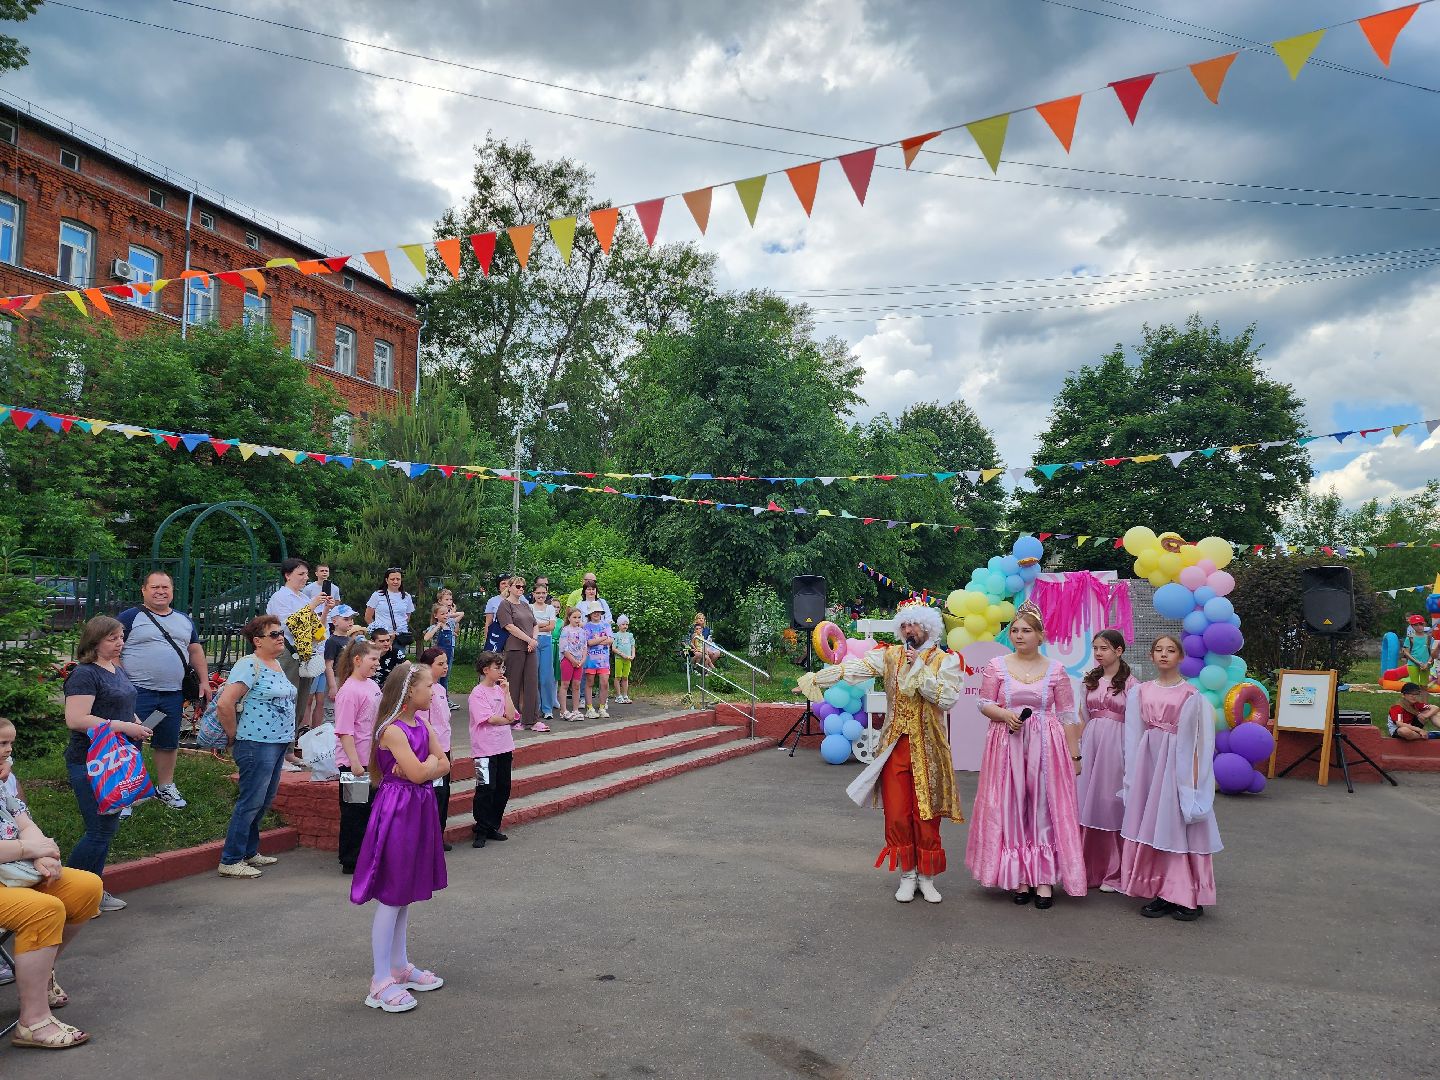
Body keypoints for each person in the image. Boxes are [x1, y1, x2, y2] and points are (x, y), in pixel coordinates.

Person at [797, 599, 962, 904]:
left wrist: (919, 668)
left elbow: (947, 699)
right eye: (904, 625)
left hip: (930, 749)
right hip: (894, 747)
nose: (909, 630)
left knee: (927, 814)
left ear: (928, 628)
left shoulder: (945, 661)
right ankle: (907, 874)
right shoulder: (889, 656)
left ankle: (927, 877)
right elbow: (854, 669)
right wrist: (817, 678)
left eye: (915, 625)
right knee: (898, 813)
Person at [967, 600, 1086, 909]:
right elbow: (983, 702)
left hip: (1047, 745)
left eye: (1027, 631)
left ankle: (1044, 879)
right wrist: (1004, 715)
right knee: (1013, 805)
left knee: (1044, 807)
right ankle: (1020, 877)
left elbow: (1068, 714)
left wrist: (1075, 755)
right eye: (1015, 631)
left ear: (1040, 636)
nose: (1019, 636)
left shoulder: (1056, 669)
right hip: (1007, 743)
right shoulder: (997, 665)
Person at [351, 661, 448, 1013]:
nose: (433, 691)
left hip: (417, 807)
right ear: (409, 692)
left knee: (404, 893)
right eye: (428, 687)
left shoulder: (420, 723)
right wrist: (425, 769)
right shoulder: (392, 730)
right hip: (397, 812)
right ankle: (379, 981)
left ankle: (399, 965)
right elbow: (423, 771)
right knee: (392, 894)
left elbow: (442, 764)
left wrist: (424, 768)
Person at [1118, 635, 1222, 922]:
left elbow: (1202, 741)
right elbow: (1133, 733)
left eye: (1171, 650)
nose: (1164, 654)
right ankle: (1161, 890)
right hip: (1149, 763)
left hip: (1178, 764)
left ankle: (1187, 894)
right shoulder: (1140, 692)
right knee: (1154, 825)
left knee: (1177, 824)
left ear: (1180, 657)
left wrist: (1196, 780)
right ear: (1151, 656)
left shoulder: (1192, 695)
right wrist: (1132, 775)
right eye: (1159, 650)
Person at [0, 764, 103, 1049]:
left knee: (86, 888)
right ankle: (32, 1022)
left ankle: (41, 975)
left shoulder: (2, 786)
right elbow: (26, 843)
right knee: (43, 910)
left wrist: (43, 856)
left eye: (8, 744)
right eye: (0, 744)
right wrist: (30, 850)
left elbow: (26, 826)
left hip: (11, 872)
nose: (7, 752)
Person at [63, 615, 149, 914]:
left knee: (105, 828)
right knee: (100, 829)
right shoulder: (84, 674)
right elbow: (76, 719)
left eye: (121, 637)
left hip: (117, 759)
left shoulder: (115, 668)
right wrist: (124, 727)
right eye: (113, 638)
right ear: (94, 641)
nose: (120, 643)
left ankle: (90, 891)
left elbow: (123, 705)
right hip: (91, 761)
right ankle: (69, 893)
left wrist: (137, 723)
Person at [117, 569, 210, 811]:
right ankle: (126, 791)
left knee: (167, 742)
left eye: (165, 587)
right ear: (144, 591)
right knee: (129, 741)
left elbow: (195, 650)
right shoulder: (129, 618)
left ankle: (165, 787)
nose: (160, 591)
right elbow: (112, 649)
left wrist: (204, 680)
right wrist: (120, 683)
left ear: (172, 591)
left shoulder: (183, 620)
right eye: (155, 587)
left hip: (171, 694)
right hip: (138, 693)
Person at [215, 614, 298, 879]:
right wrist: (233, 737)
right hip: (255, 743)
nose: (280, 637)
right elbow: (225, 703)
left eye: (280, 632)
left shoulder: (275, 664)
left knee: (263, 801)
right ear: (257, 641)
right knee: (250, 801)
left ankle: (249, 851)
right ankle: (230, 859)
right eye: (274, 634)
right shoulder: (248, 665)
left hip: (275, 743)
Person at [1076, 629, 1137, 893]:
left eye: (1104, 648)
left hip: (1118, 745)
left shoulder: (1133, 685)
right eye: (1096, 648)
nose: (1099, 653)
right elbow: (1083, 716)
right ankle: (1087, 867)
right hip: (1091, 742)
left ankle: (1115, 870)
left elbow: (1137, 724)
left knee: (1112, 802)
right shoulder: (1089, 681)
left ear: (1119, 650)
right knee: (1087, 800)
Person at [265, 558, 334, 751]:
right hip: (287, 653)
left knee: (300, 703)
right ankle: (278, 750)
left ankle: (289, 749)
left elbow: (315, 628)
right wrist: (312, 605)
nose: (305, 578)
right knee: (283, 701)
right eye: (300, 574)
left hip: (306, 655)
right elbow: (288, 625)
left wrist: (325, 610)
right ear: (287, 575)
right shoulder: (281, 597)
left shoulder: (303, 598)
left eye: (306, 574)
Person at [333, 639, 381, 875]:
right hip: (355, 763)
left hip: (370, 760)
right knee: (354, 810)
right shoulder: (349, 691)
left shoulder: (371, 686)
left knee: (369, 809)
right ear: (357, 660)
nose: (377, 664)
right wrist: (353, 763)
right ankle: (351, 859)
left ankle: (367, 854)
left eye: (378, 659)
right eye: (373, 659)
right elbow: (344, 730)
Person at [468, 651, 517, 848]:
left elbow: (512, 715)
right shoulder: (477, 693)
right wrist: (506, 720)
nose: (501, 671)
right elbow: (490, 718)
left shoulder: (500, 690)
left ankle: (492, 825)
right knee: (485, 788)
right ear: (486, 670)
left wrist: (507, 693)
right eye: (497, 668)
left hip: (504, 746)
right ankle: (480, 828)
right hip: (484, 749)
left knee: (503, 787)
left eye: (502, 667)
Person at [497, 574, 546, 732]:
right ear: (510, 587)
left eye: (523, 587)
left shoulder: (525, 605)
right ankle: (512, 718)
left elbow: (535, 624)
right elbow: (509, 626)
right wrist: (529, 640)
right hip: (515, 647)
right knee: (513, 684)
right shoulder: (504, 605)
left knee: (532, 682)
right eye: (517, 586)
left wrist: (534, 639)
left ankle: (531, 719)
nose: (520, 589)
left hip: (530, 648)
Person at [416, 647, 454, 847]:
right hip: (432, 750)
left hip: (445, 747)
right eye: (440, 664)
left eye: (445, 663)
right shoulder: (424, 692)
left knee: (444, 792)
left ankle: (439, 833)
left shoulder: (440, 689)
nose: (445, 667)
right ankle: (430, 837)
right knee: (435, 793)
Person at [364, 568, 416, 655]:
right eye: (392, 579)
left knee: (399, 663)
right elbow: (368, 617)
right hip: (383, 637)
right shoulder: (377, 595)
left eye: (398, 579)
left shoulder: (406, 596)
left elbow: (407, 617)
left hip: (400, 637)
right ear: (386, 580)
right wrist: (378, 632)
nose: (395, 582)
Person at [323, 605, 364, 708]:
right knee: (332, 710)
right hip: (336, 679)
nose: (350, 621)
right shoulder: (332, 641)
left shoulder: (350, 640)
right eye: (346, 619)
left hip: (348, 678)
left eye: (351, 619)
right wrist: (332, 686)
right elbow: (328, 665)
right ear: (334, 622)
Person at [530, 581, 559, 721]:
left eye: (543, 593)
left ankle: (547, 708)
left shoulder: (550, 608)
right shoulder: (529, 607)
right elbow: (529, 626)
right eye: (538, 593)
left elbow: (551, 627)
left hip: (546, 642)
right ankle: (536, 707)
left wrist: (537, 625)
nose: (541, 595)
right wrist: (542, 625)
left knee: (547, 676)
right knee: (534, 675)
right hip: (534, 641)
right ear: (533, 594)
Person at [583, 606, 613, 720]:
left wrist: (599, 640)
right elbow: (589, 642)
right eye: (593, 612)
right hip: (591, 660)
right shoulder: (587, 627)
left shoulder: (606, 625)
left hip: (604, 660)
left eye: (598, 612)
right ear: (590, 614)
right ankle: (589, 708)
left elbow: (611, 640)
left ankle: (602, 707)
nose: (596, 614)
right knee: (589, 682)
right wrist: (603, 638)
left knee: (604, 683)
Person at [558, 608, 588, 722]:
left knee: (576, 684)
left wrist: (583, 659)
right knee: (565, 684)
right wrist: (572, 660)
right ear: (569, 618)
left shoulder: (582, 631)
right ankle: (563, 710)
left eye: (579, 617)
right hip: (568, 660)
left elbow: (584, 646)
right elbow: (564, 648)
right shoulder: (565, 630)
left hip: (579, 661)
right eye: (574, 617)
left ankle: (575, 710)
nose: (577, 619)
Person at [483, 573, 511, 653]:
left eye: (508, 583)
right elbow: (488, 623)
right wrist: (487, 639)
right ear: (498, 587)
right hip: (498, 634)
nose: (506, 585)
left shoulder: (520, 599)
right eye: (503, 583)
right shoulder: (492, 601)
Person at [1401, 615, 1432, 687]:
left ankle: (1423, 699)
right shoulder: (1410, 638)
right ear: (1412, 626)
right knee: (1414, 686)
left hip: (1426, 665)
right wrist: (1417, 662)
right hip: (1413, 664)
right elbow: (1406, 652)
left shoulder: (1429, 638)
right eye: (1416, 625)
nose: (1419, 626)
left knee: (1424, 686)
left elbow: (1432, 653)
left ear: (1424, 624)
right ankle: (1414, 698)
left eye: (1421, 624)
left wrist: (1427, 663)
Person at [612, 614, 636, 704]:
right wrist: (622, 655)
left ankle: (625, 695)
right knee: (618, 677)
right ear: (619, 625)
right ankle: (618, 696)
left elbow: (633, 646)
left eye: (626, 624)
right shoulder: (616, 635)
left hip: (628, 659)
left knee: (625, 677)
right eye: (623, 624)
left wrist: (632, 655)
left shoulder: (630, 635)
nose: (625, 626)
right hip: (619, 659)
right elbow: (614, 648)